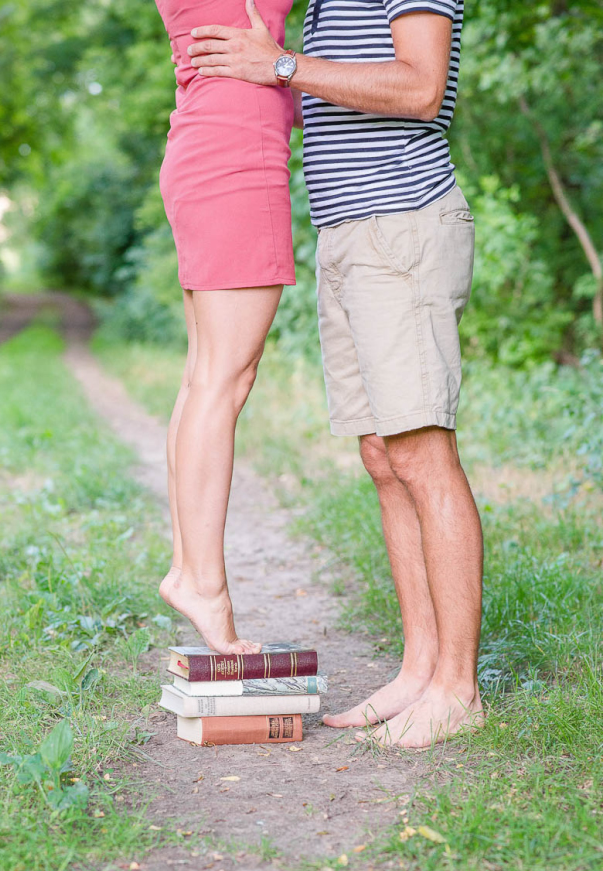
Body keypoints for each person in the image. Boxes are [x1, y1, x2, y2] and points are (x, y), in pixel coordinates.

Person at [187, 0, 484, 746]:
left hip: (402, 224)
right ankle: (419, 668)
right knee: (383, 456)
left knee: (423, 452)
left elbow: (421, 87)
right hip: (349, 233)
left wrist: (281, 66)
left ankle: (458, 687)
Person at [154, 0, 299, 655]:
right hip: (234, 153)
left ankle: (190, 569)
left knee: (209, 377)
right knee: (222, 380)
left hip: (216, 139)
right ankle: (203, 585)